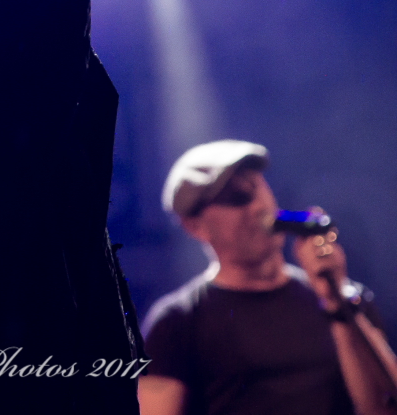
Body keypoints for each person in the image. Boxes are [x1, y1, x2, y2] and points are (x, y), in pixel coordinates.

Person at [139, 140, 395, 415]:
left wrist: (337, 304)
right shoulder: (177, 322)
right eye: (236, 198)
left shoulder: (346, 299)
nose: (258, 207)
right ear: (195, 226)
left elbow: (385, 407)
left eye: (257, 187)